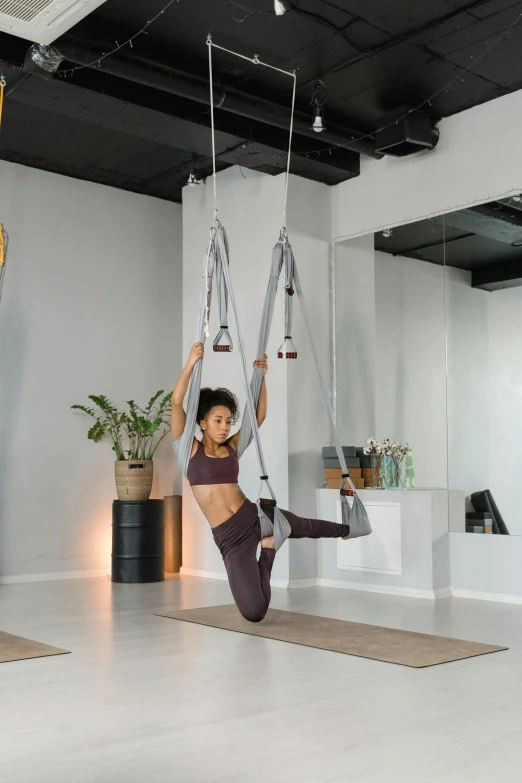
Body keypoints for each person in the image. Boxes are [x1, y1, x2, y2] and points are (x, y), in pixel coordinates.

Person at [172, 342, 351, 623]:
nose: (224, 426)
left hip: (253, 515)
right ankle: (269, 548)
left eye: (229, 421)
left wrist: (262, 377)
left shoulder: (232, 447)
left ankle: (348, 528)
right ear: (203, 422)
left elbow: (259, 417)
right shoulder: (188, 450)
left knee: (303, 526)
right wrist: (192, 362)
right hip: (230, 538)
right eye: (218, 420)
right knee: (254, 612)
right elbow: (176, 402)